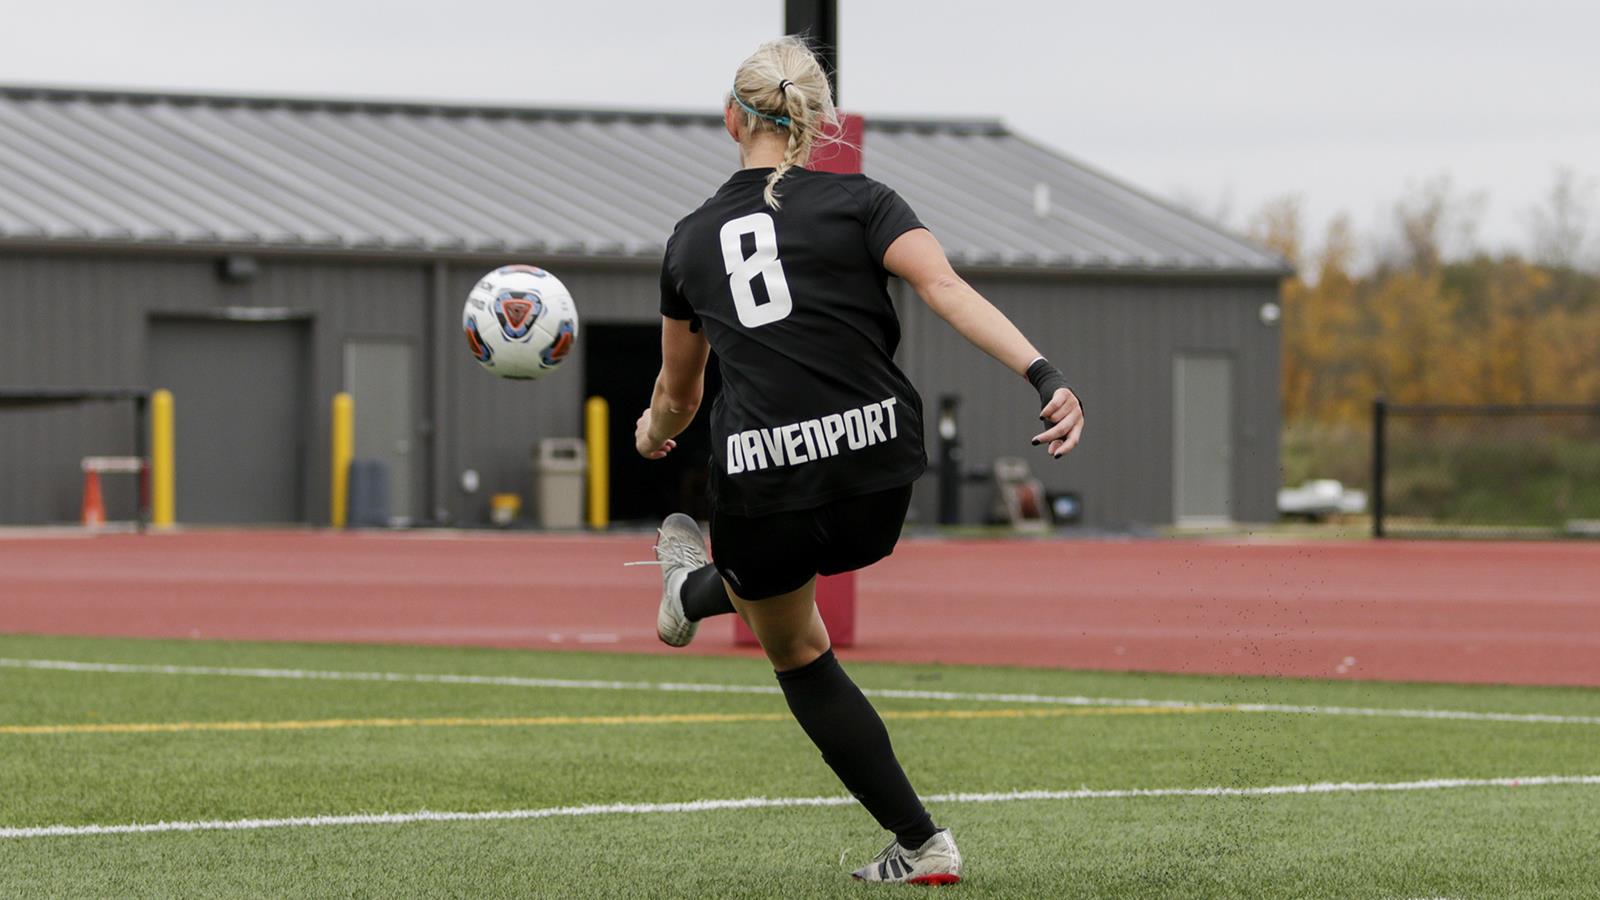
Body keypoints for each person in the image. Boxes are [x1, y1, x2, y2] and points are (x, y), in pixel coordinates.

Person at [633, 36, 1084, 886]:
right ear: (814, 125)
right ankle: (695, 588)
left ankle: (922, 843)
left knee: (797, 647)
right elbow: (946, 287)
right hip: (878, 475)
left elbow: (680, 396)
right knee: (789, 571)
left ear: (732, 118)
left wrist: (650, 435)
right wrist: (1044, 374)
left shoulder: (689, 242)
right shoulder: (866, 201)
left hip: (764, 483)